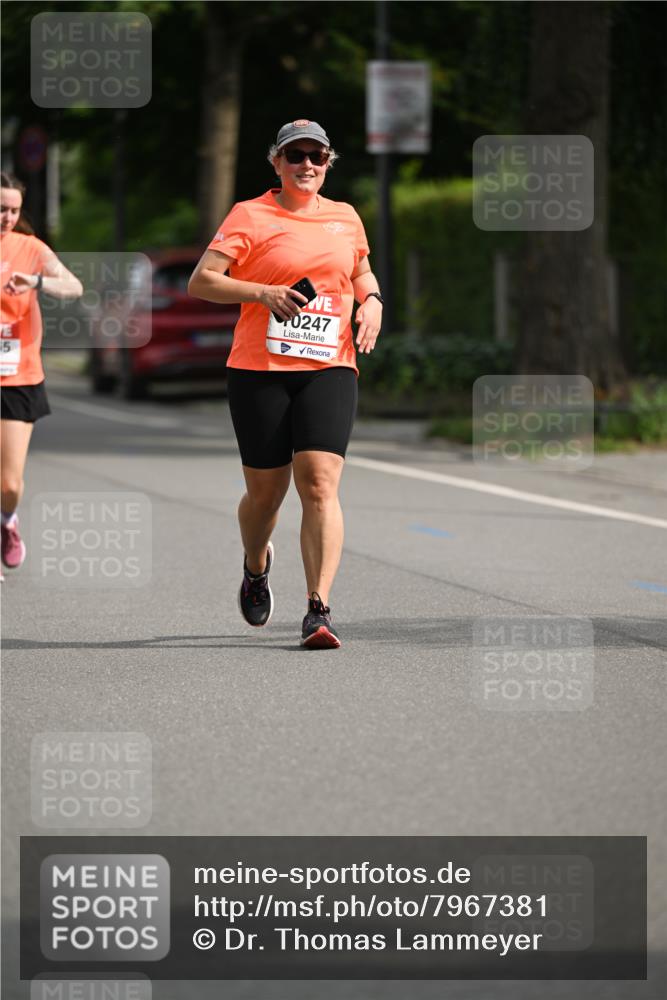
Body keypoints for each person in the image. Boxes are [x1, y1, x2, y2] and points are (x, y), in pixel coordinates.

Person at [188, 119, 383, 649]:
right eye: (295, 156)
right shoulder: (249, 214)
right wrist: (262, 293)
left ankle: (319, 610)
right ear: (276, 162)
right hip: (260, 370)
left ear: (328, 163)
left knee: (319, 483)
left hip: (330, 364)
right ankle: (256, 565)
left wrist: (373, 302)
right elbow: (202, 280)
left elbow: (361, 273)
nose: (306, 165)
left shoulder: (345, 217)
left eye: (317, 156)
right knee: (266, 494)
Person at [1, 172, 83, 579]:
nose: (8, 217)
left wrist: (36, 280)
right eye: (1, 209)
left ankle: (7, 521)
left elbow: (73, 286)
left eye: (14, 210)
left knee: (10, 484)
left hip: (18, 375)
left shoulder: (30, 248)